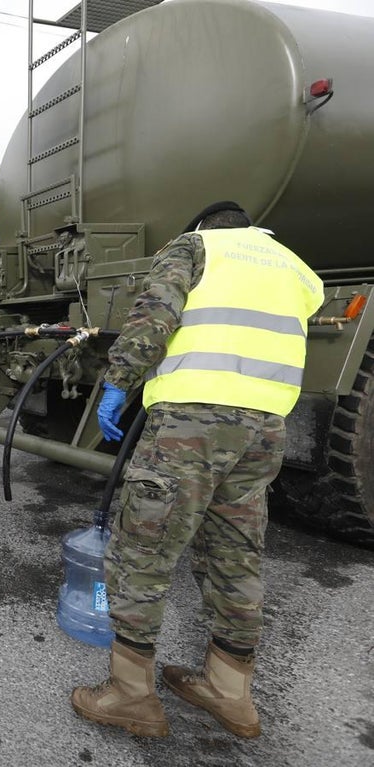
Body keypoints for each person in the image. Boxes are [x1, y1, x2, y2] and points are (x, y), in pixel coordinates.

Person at [71, 202, 324, 739]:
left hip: (193, 423)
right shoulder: (296, 268)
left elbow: (155, 316)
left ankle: (131, 695)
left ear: (202, 227)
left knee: (142, 548)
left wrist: (118, 382)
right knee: (235, 551)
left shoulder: (194, 248)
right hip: (264, 429)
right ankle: (230, 693)